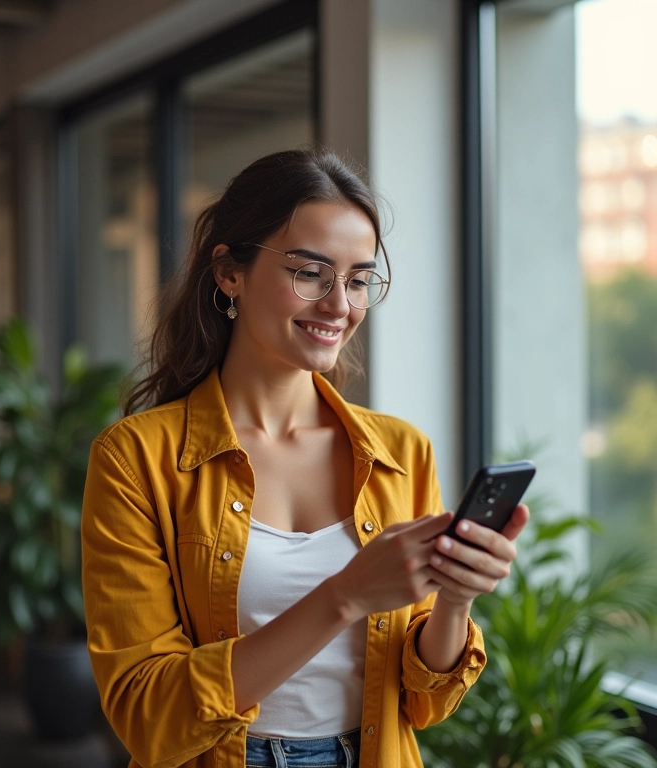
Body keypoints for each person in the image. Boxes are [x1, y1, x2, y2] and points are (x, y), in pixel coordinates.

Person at [81, 148, 529, 768]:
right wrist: (344, 596)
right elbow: (147, 715)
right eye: (310, 273)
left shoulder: (402, 453)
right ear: (229, 272)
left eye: (357, 279)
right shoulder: (136, 460)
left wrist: (456, 597)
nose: (339, 306)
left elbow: (425, 703)